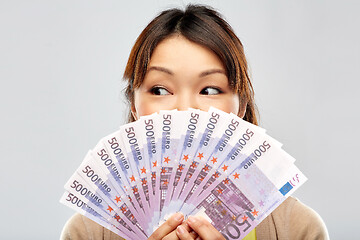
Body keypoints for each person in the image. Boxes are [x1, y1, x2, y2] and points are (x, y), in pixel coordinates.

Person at [61, 4, 329, 240]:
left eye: (210, 90)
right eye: (160, 90)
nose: (185, 110)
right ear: (134, 105)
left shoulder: (298, 229)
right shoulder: (87, 233)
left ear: (241, 107)